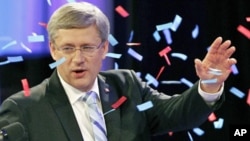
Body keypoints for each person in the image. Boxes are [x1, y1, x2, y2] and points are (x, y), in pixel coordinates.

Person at [0, 1, 237, 141]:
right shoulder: (24, 108)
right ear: (53, 50)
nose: (77, 59)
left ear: (104, 48)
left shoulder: (127, 86)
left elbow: (180, 114)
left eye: (87, 47)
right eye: (67, 48)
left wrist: (210, 84)